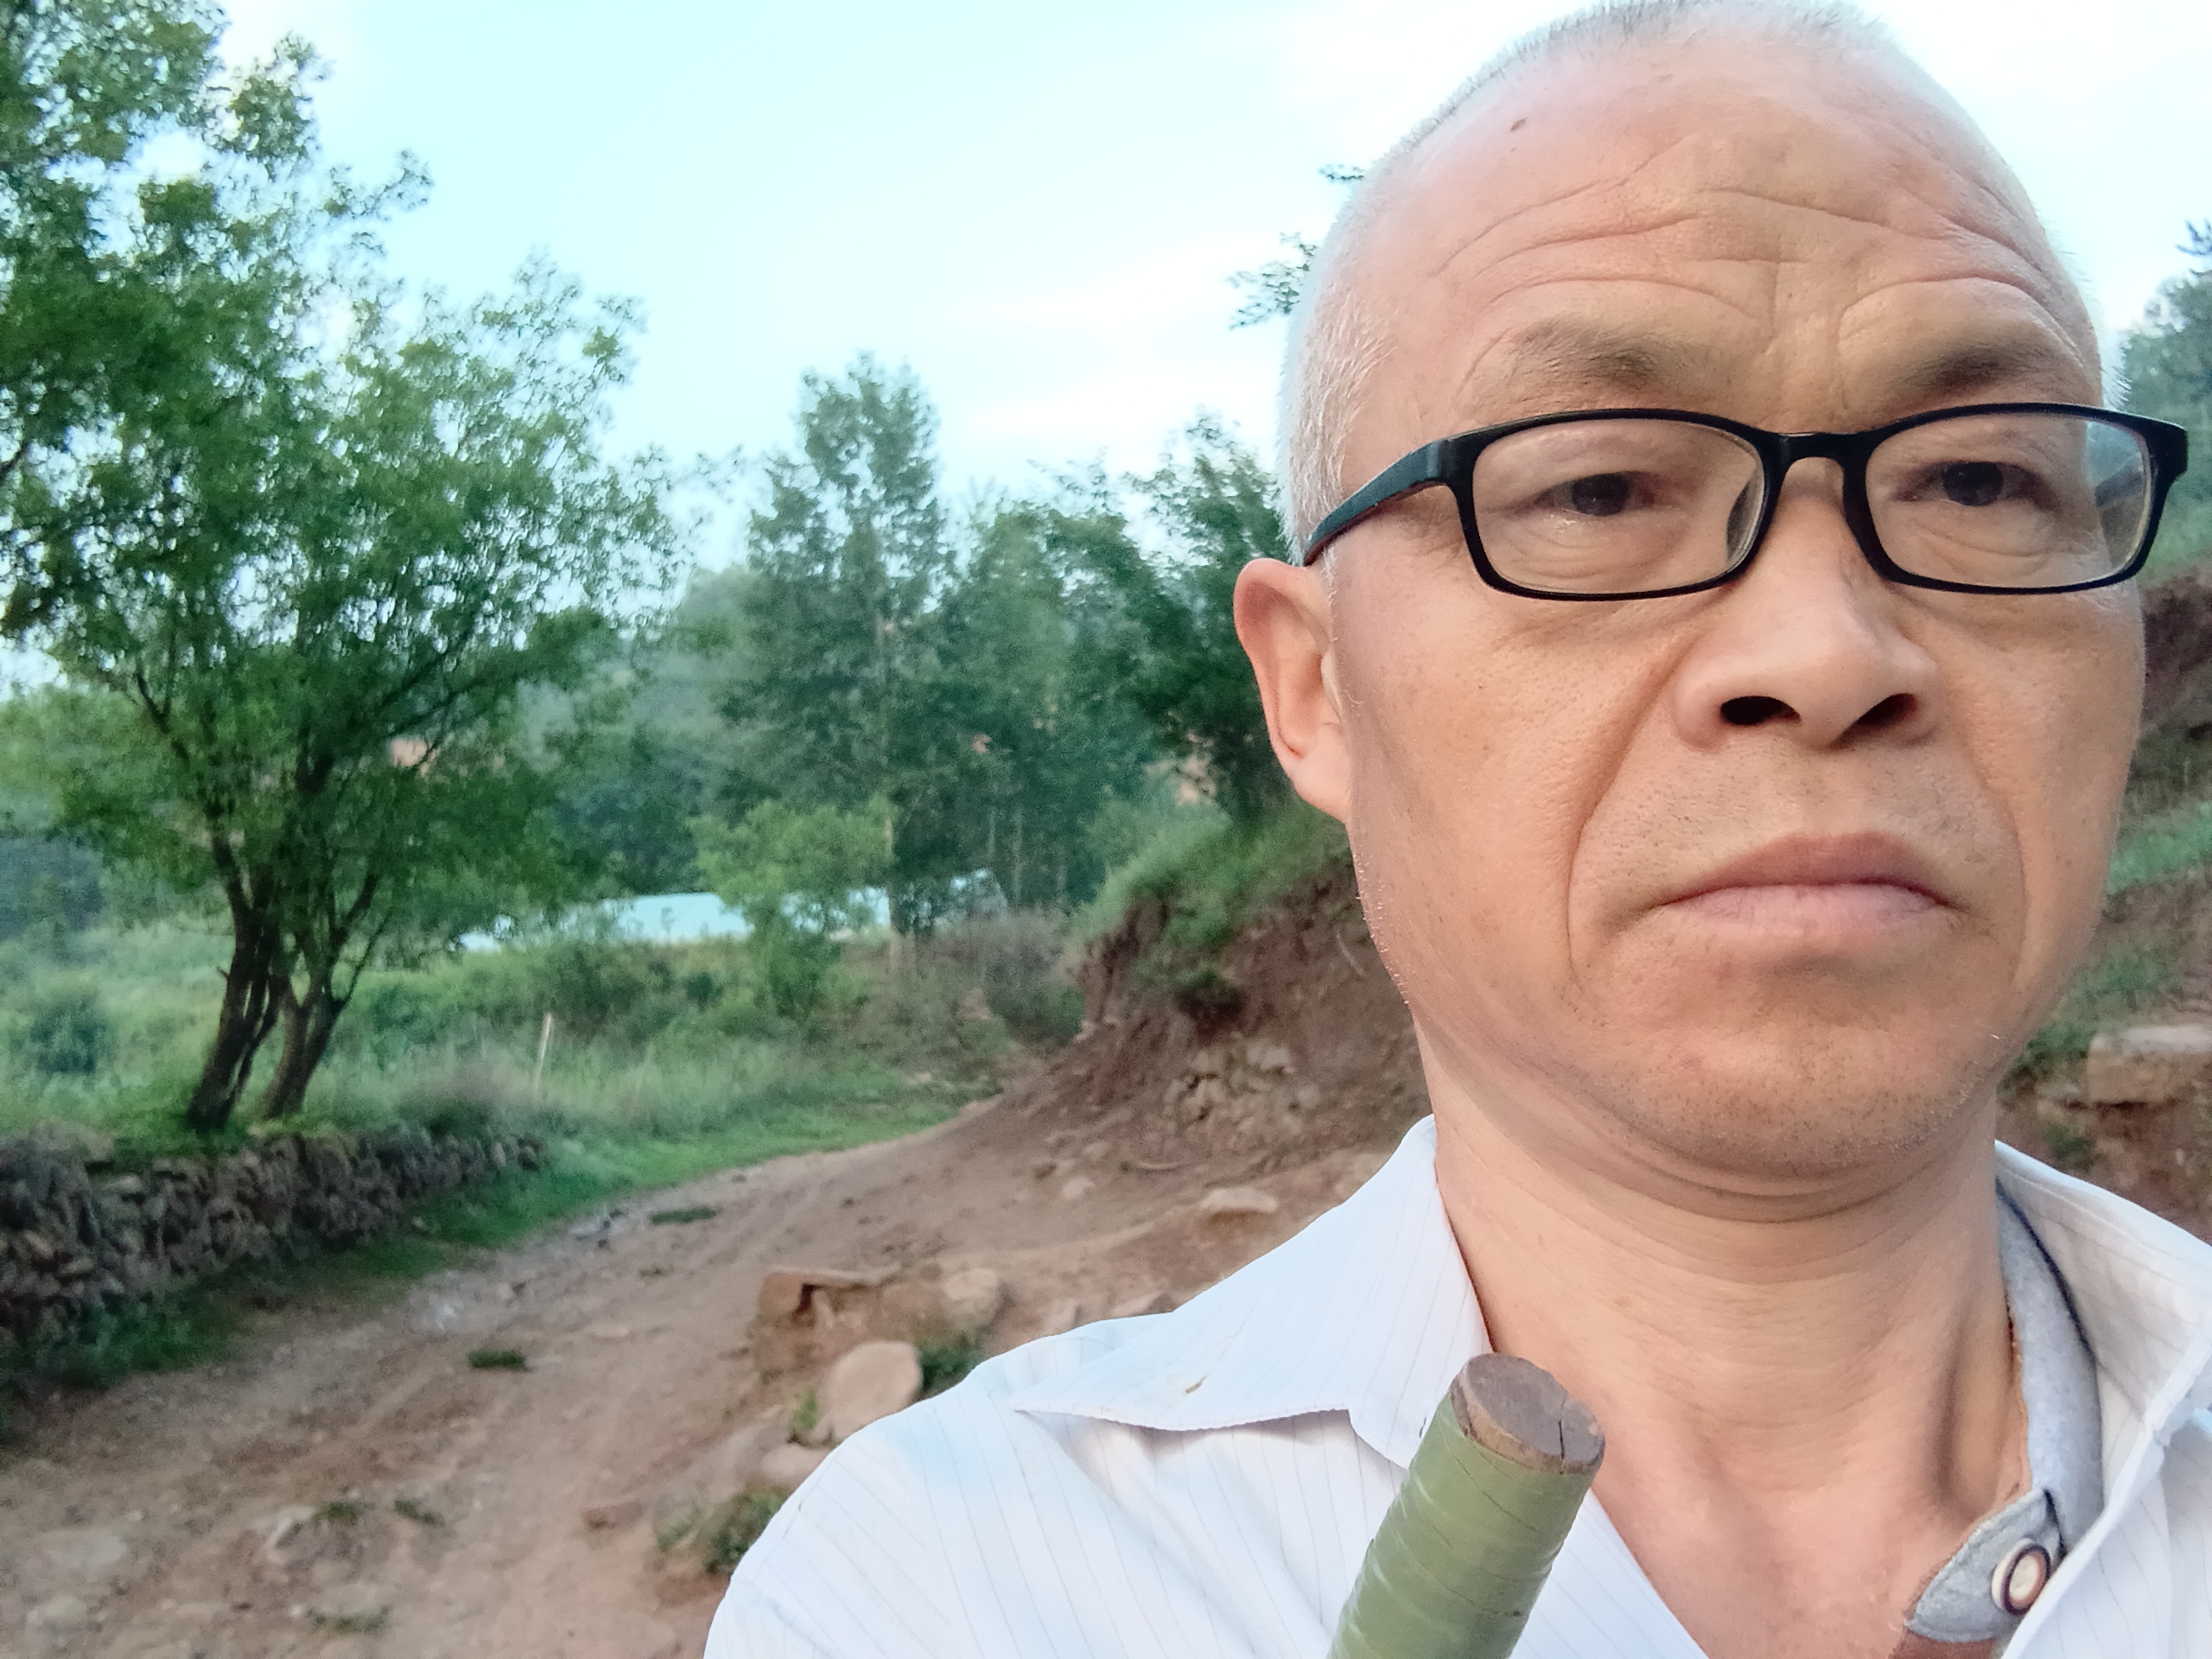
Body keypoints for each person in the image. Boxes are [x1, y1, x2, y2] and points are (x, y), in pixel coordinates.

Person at [707, 3, 2209, 1654]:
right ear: (1317, 691)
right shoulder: (954, 1590)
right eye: (1597, 491)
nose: (1827, 653)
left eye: (1981, 482)